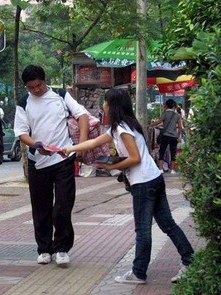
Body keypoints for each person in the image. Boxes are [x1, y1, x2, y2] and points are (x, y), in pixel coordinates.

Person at [63, 88, 194, 284]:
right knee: (167, 224)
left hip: (144, 183)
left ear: (113, 105)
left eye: (105, 102)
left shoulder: (123, 129)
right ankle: (190, 262)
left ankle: (138, 273)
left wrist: (111, 166)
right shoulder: (122, 127)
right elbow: (94, 142)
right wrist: (70, 148)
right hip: (154, 178)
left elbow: (135, 158)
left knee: (143, 229)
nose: (103, 106)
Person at [14, 65, 89, 266]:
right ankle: (44, 249)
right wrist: (36, 145)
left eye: (38, 86)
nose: (36, 91)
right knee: (41, 207)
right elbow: (21, 133)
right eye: (31, 88)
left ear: (44, 81)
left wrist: (80, 145)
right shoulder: (24, 102)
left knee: (63, 206)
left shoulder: (60, 95)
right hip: (38, 161)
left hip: (63, 158)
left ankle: (62, 248)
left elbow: (82, 116)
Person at [150, 99, 183, 174]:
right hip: (174, 137)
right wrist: (178, 136)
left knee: (162, 152)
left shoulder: (165, 113)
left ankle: (161, 169)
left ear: (166, 105)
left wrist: (150, 125)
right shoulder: (177, 115)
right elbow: (180, 127)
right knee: (173, 153)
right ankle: (172, 170)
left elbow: (159, 122)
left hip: (165, 136)